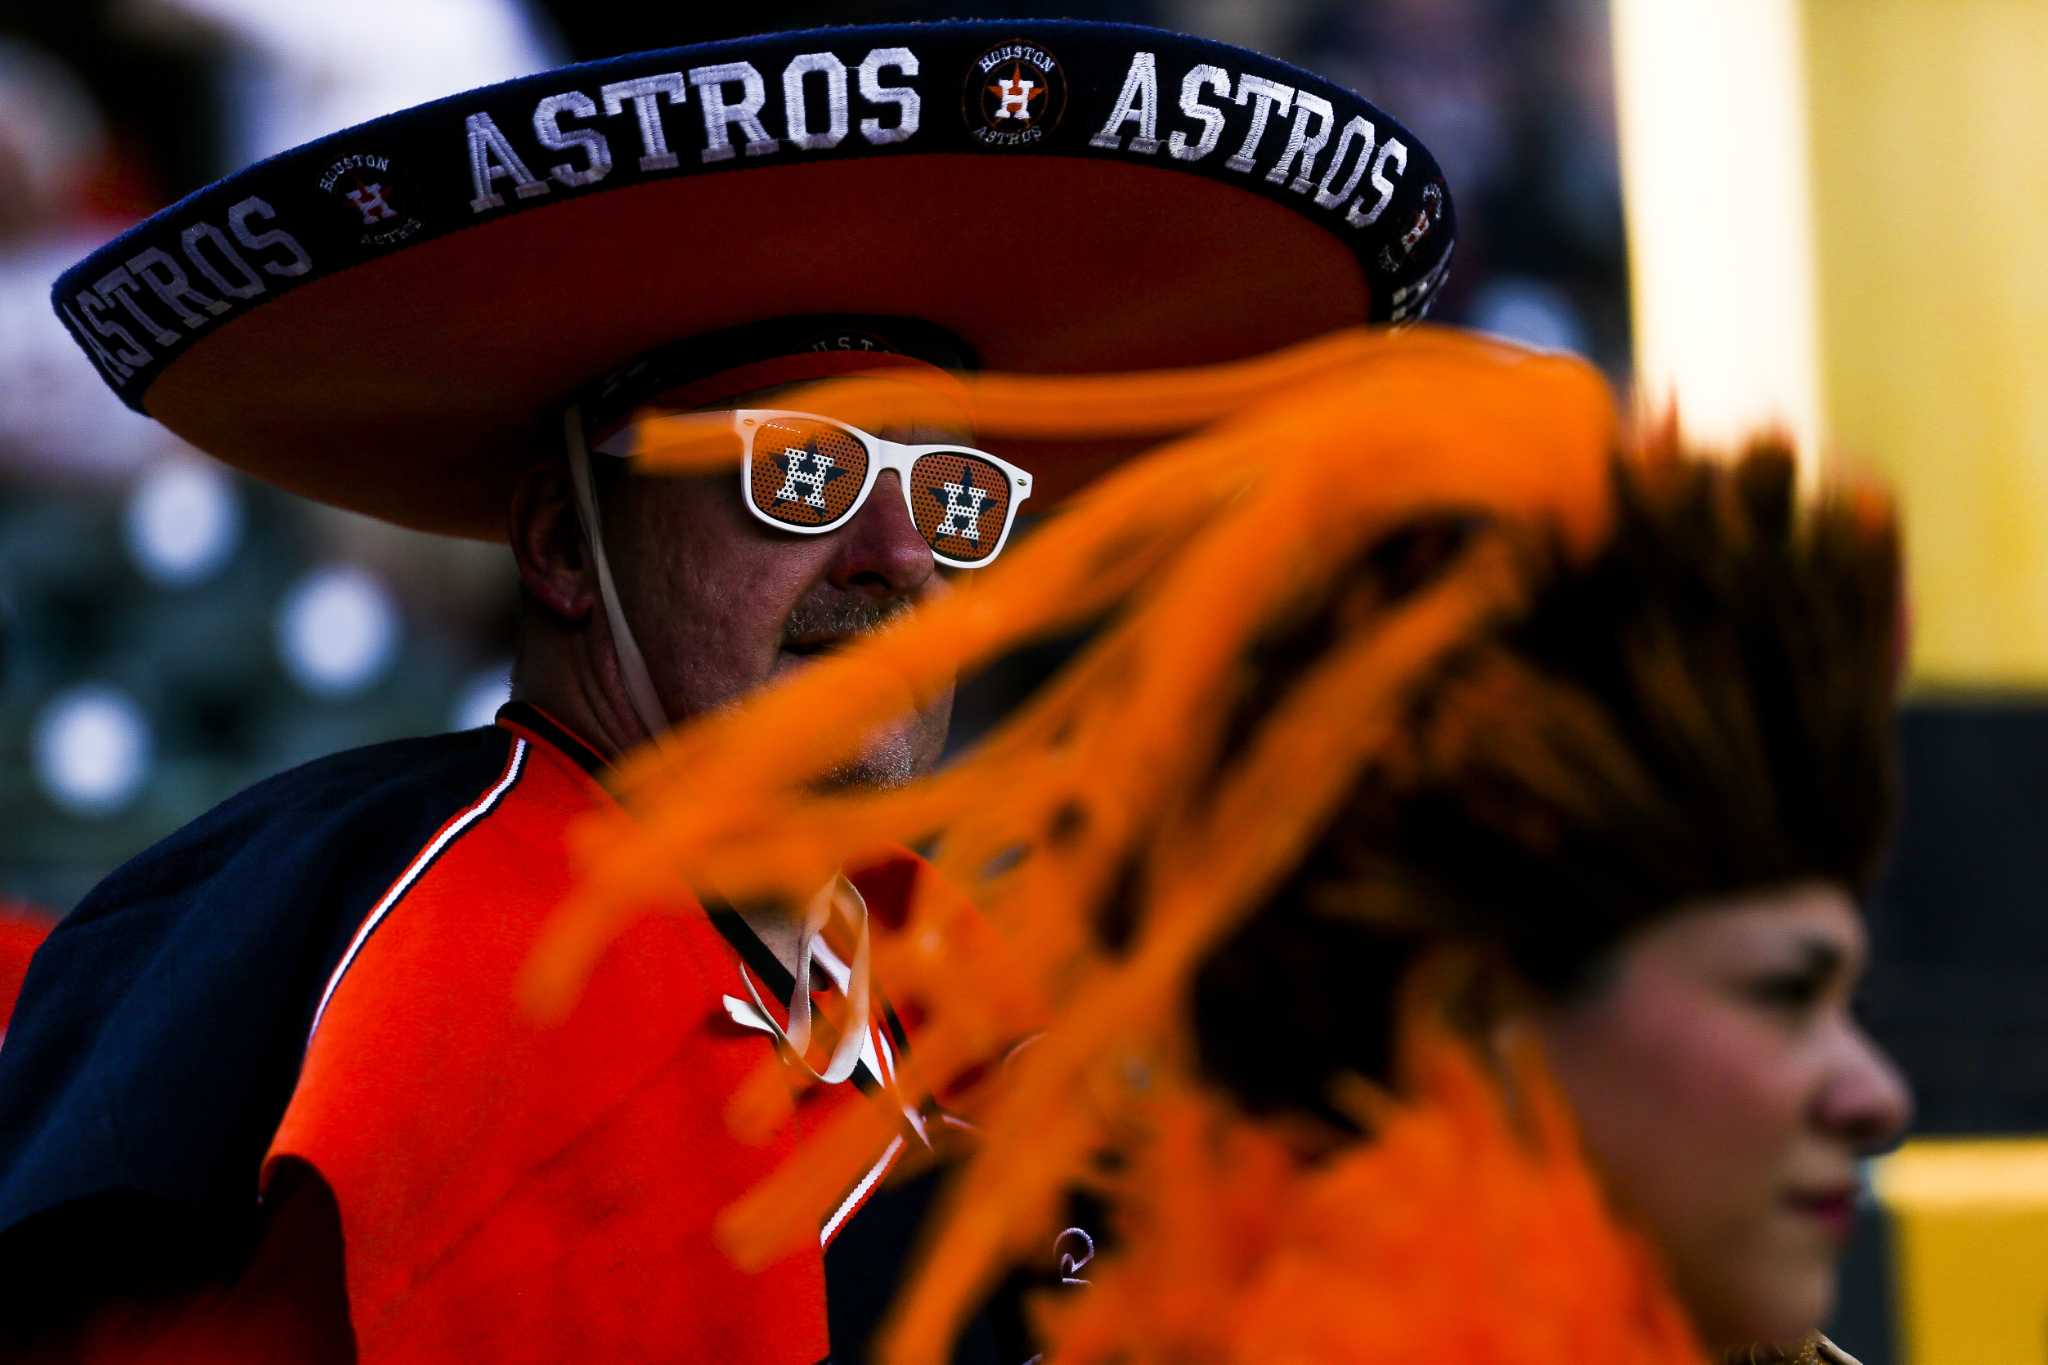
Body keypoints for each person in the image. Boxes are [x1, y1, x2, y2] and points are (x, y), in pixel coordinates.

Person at [0, 18, 1456, 1360]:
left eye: (955, 495)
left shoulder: (945, 981)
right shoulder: (429, 961)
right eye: (804, 472)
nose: (897, 556)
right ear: (567, 544)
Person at [558, 331, 1908, 1363]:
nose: (904, 557)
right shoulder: (480, 940)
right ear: (1481, 1022)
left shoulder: (969, 1024)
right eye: (1786, 994)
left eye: (959, 497)